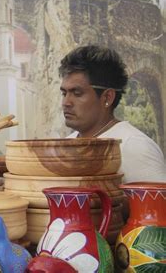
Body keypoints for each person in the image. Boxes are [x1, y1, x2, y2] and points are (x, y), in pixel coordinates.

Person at [59, 45, 166, 183]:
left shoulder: (134, 146)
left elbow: (156, 203)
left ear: (107, 97)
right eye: (64, 93)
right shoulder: (66, 145)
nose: (66, 102)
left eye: (77, 93)